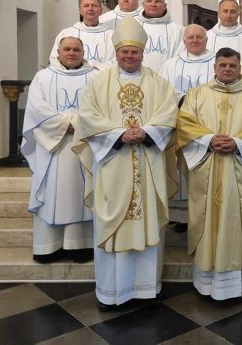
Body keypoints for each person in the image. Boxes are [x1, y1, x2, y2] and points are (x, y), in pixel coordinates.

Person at [73, 17, 178, 311]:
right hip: (113, 163)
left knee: (148, 221)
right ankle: (111, 292)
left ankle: (147, 289)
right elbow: (87, 116)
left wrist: (146, 132)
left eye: (134, 52)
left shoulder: (159, 83)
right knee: (112, 223)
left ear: (143, 53)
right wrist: (120, 133)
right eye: (124, 52)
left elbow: (169, 114)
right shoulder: (98, 82)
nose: (129, 56)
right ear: (116, 53)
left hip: (147, 161)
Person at [175, 47, 242, 300]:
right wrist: (208, 140)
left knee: (239, 217)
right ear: (215, 67)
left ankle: (241, 281)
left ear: (240, 68)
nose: (227, 69)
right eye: (223, 65)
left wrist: (238, 144)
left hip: (241, 168)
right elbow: (184, 124)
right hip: (207, 167)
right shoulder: (197, 95)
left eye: (232, 65)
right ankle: (207, 281)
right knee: (207, 218)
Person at [23, 37, 98, 263]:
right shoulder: (43, 77)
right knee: (52, 191)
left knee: (80, 191)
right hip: (53, 148)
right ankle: (49, 246)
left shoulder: (95, 77)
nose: (72, 53)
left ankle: (80, 245)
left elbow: (101, 108)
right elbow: (36, 109)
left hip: (85, 146)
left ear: (83, 51)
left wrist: (80, 125)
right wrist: (67, 124)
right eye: (67, 49)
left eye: (76, 49)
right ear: (58, 51)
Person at [159, 24, 216, 226]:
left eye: (199, 37)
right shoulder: (170, 65)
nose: (195, 40)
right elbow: (162, 94)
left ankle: (206, 214)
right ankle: (182, 219)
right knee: (183, 168)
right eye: (190, 37)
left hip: (209, 126)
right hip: (179, 125)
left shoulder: (217, 63)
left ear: (206, 40)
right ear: (184, 41)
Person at [49, 0, 115, 70]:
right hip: (73, 77)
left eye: (94, 5)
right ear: (80, 11)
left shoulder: (112, 35)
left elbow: (118, 60)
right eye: (86, 6)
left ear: (101, 10)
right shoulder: (66, 33)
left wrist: (98, 68)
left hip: (103, 78)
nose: (90, 8)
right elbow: (54, 59)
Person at [136, 0, 184, 72]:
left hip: (169, 77)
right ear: (143, 5)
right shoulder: (134, 26)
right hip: (138, 77)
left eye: (157, 1)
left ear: (165, 5)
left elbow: (182, 56)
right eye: (149, 1)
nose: (153, 4)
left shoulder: (178, 30)